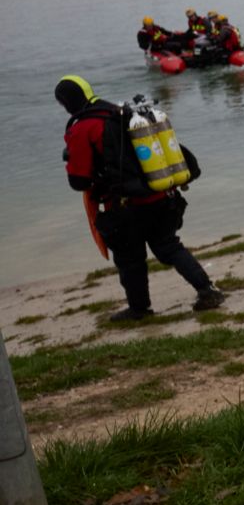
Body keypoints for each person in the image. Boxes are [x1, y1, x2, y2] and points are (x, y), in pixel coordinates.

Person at [56, 75, 225, 321]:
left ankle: (139, 309)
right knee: (169, 246)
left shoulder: (82, 128)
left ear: (66, 102)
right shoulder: (123, 114)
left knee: (130, 259)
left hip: (124, 207)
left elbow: (78, 181)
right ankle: (207, 290)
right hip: (161, 193)